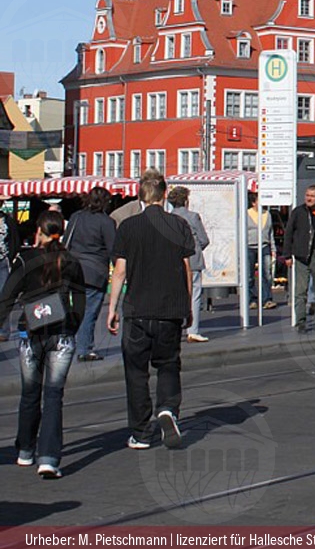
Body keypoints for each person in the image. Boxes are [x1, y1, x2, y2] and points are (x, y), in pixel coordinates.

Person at [107, 173, 194, 450]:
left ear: (140, 195)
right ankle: (168, 408)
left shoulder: (128, 226)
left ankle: (142, 433)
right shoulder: (178, 224)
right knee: (168, 364)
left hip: (137, 310)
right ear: (164, 194)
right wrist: (188, 305)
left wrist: (113, 308)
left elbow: (119, 271)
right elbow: (186, 269)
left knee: (136, 372)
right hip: (169, 310)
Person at [0, 211, 86, 479]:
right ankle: (48, 458)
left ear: (38, 231)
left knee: (29, 393)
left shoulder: (24, 260)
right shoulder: (70, 261)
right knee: (53, 396)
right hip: (61, 335)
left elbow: (7, 298)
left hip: (30, 335)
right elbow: (80, 302)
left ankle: (25, 450)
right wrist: (72, 326)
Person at [66, 186, 116, 361]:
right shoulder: (106, 222)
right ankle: (85, 348)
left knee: (76, 309)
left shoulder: (76, 217)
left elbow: (66, 242)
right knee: (90, 311)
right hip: (95, 272)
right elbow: (113, 250)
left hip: (73, 269)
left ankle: (69, 344)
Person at [281, 185, 315, 332]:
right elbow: (288, 234)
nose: (309, 198)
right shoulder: (298, 212)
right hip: (301, 256)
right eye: (307, 195)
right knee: (300, 291)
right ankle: (301, 322)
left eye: (312, 196)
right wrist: (287, 255)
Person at [167, 187, 210, 343]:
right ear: (186, 201)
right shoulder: (192, 217)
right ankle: (193, 331)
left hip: (172, 262)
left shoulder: (167, 218)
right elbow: (204, 239)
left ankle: (175, 329)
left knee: (176, 295)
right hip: (192, 260)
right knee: (195, 294)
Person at [245, 191, 275, 310]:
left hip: (264, 245)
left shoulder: (267, 214)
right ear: (253, 203)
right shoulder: (246, 214)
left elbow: (270, 232)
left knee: (266, 273)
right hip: (249, 246)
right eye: (259, 200)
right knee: (249, 274)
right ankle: (252, 299)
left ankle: (267, 299)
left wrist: (273, 248)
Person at [0, 194, 19, 342]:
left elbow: (15, 240)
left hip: (3, 262)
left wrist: (10, 257)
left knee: (4, 295)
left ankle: (3, 330)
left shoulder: (7, 220)